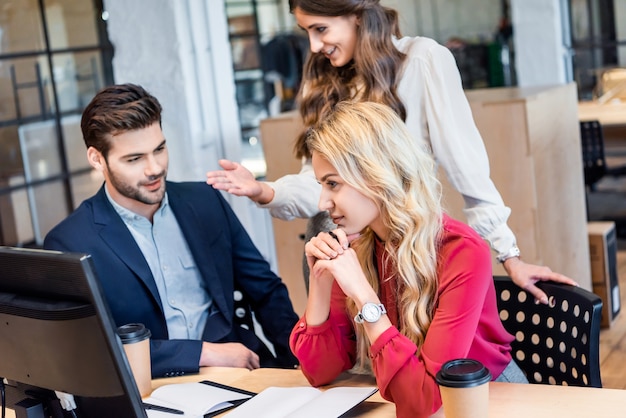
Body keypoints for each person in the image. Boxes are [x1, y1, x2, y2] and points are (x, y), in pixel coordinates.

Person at [205, 0, 577, 304]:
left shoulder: (422, 62)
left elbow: (468, 167)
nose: (314, 46)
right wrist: (264, 191)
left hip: (406, 251)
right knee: (352, 377)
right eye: (307, 32)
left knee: (421, 368)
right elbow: (319, 187)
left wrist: (509, 256)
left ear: (358, 16)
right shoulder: (324, 79)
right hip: (338, 249)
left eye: (320, 29)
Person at [44, 83, 299, 378]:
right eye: (134, 159)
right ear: (97, 159)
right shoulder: (70, 241)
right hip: (154, 385)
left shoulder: (205, 201)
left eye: (159, 149)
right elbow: (89, 348)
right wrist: (202, 352)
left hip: (240, 368)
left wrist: (298, 366)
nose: (154, 168)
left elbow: (265, 290)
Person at [291, 101, 528, 418]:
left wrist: (364, 296)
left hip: (490, 401)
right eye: (321, 185)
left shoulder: (461, 251)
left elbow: (424, 399)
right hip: (414, 400)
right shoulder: (358, 242)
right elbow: (321, 372)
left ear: (376, 176)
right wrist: (320, 282)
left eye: (333, 183)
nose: (323, 202)